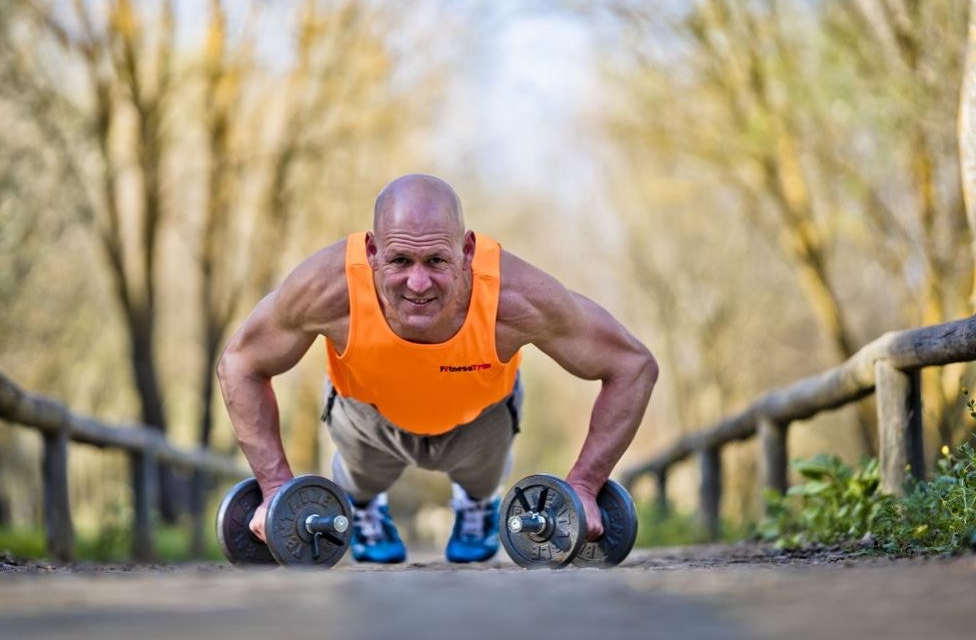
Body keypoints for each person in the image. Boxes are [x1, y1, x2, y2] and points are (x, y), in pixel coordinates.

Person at [217, 174, 658, 563]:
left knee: (483, 471)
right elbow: (239, 365)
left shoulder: (516, 298)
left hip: (479, 418)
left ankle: (478, 502)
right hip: (367, 416)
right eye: (400, 261)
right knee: (361, 476)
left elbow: (632, 365)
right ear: (371, 250)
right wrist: (275, 487)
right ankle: (366, 506)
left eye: (436, 261)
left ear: (467, 250)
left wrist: (584, 485)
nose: (418, 283)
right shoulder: (325, 289)